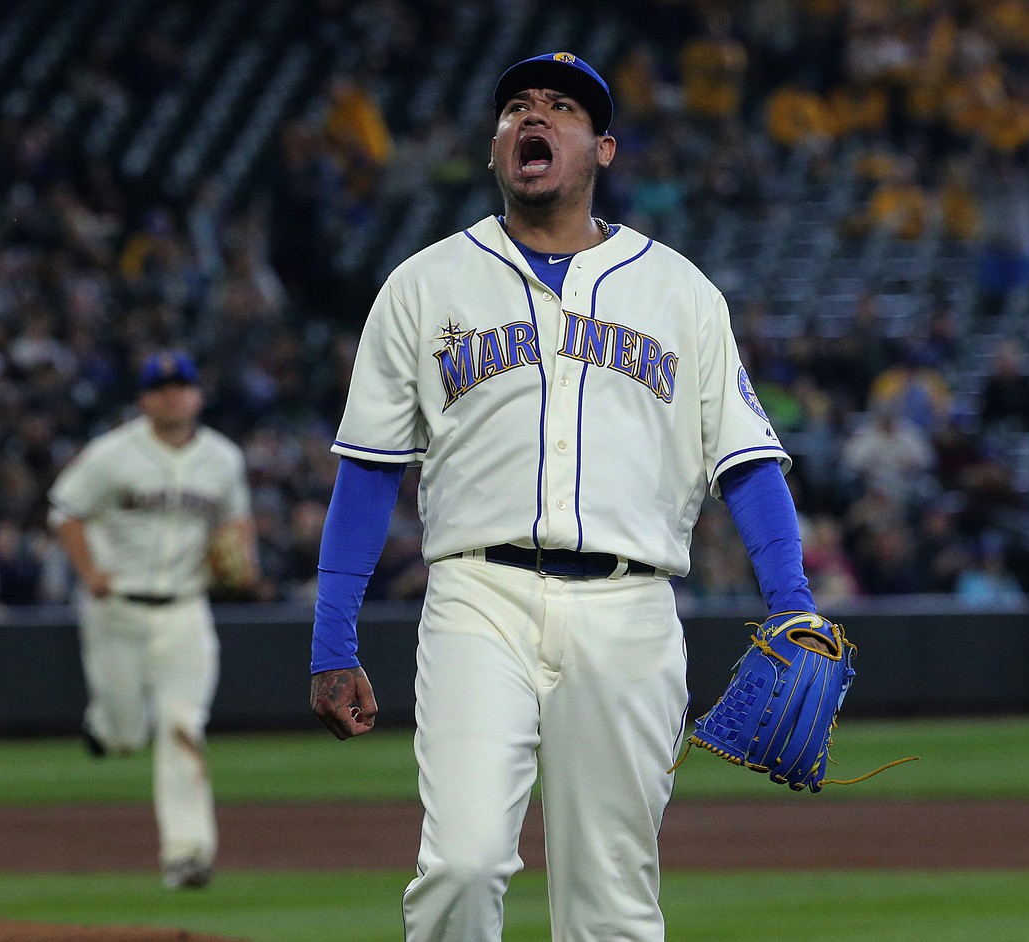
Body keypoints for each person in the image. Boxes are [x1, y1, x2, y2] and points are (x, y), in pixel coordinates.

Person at [309, 52, 828, 942]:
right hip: (479, 597)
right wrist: (332, 636)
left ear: (603, 149)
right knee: (463, 865)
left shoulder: (680, 292)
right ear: (496, 146)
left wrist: (793, 604)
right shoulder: (424, 283)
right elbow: (368, 467)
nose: (533, 118)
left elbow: (744, 458)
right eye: (516, 107)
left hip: (630, 611)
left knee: (612, 902)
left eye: (560, 109)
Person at [48, 350, 258, 890]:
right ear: (144, 400)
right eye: (160, 387)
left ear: (198, 394)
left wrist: (243, 562)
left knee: (183, 725)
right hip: (116, 610)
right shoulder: (112, 454)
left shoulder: (223, 459)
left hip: (187, 610)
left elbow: (236, 519)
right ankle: (105, 726)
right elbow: (64, 509)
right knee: (124, 735)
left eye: (182, 385)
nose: (172, 395)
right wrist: (88, 569)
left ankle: (187, 854)